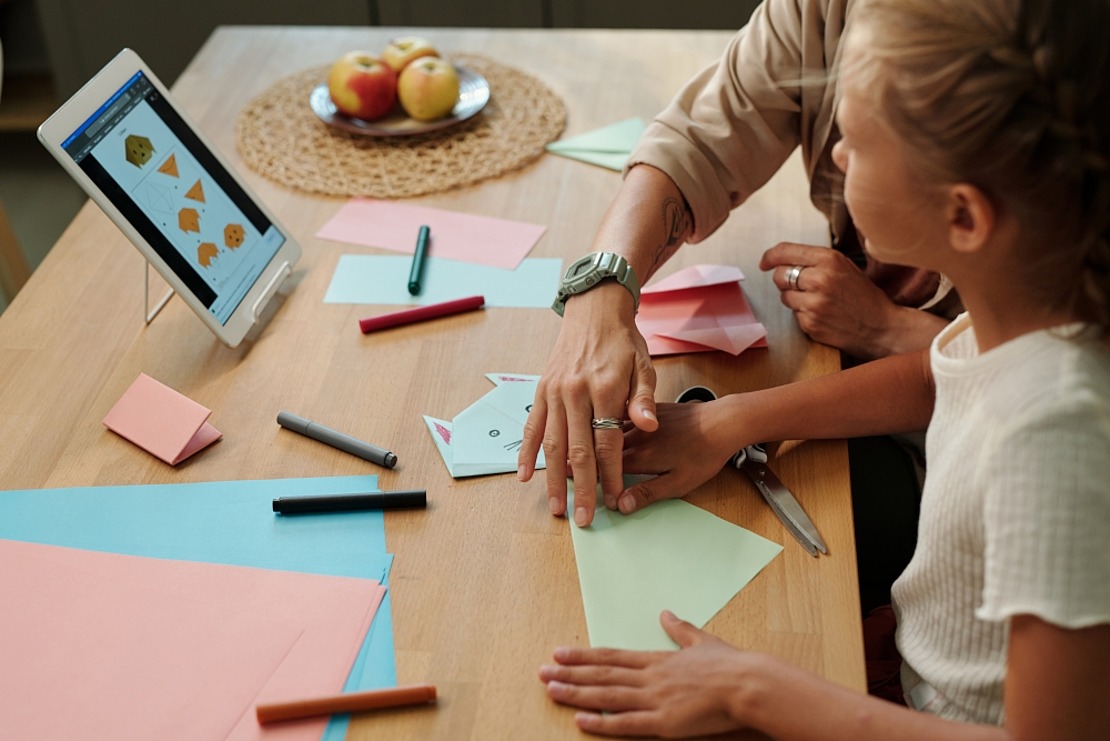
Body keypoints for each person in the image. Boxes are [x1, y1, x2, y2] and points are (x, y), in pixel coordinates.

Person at [537, 0, 1110, 734]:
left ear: (964, 216)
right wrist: (730, 421)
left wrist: (753, 688)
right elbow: (935, 378)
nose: (834, 157)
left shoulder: (1057, 437)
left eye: (858, 143)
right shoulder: (1027, 318)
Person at [517, 0, 957, 533]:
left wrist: (883, 331)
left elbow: (987, 362)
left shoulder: (1019, 73)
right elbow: (698, 142)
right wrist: (600, 293)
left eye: (858, 143)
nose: (838, 157)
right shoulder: (822, 10)